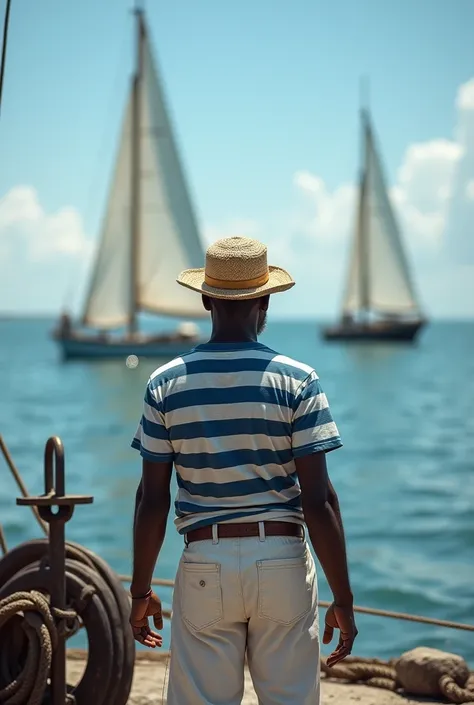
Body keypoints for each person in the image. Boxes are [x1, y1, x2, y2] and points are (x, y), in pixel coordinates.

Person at [129, 236, 357, 705]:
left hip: (204, 562)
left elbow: (151, 500)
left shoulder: (165, 383)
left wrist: (140, 590)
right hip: (282, 563)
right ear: (266, 301)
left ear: (206, 299)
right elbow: (319, 500)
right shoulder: (298, 380)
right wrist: (344, 600)